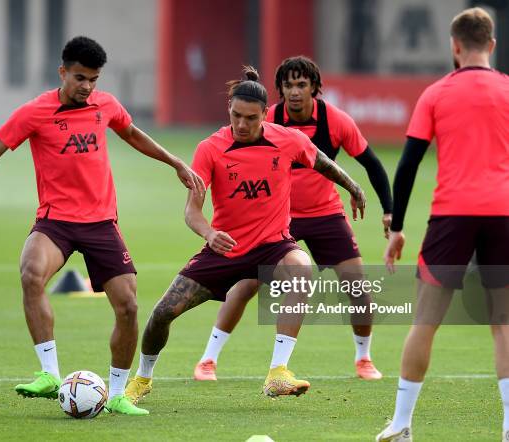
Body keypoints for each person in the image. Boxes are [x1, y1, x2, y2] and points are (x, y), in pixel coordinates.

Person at [0, 36, 204, 416]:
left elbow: (132, 134)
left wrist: (175, 161)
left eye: (93, 79)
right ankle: (49, 374)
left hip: (100, 224)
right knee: (31, 274)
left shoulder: (105, 105)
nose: (87, 87)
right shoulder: (34, 112)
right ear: (62, 72)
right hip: (55, 223)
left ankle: (115, 395)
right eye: (80, 77)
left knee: (128, 306)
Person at [124, 66, 366, 406]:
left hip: (273, 246)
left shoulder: (287, 140)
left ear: (264, 115)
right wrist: (209, 233)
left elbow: (321, 160)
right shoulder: (210, 148)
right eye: (235, 116)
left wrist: (352, 186)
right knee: (162, 313)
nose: (241, 124)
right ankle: (142, 378)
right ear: (229, 110)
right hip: (226, 249)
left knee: (301, 268)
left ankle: (278, 372)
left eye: (250, 118)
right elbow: (192, 211)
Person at [193, 56, 392, 382]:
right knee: (245, 285)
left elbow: (371, 163)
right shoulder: (263, 119)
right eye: (288, 85)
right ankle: (208, 360)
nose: (295, 92)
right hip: (276, 217)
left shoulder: (336, 121)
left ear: (315, 87)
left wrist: (388, 209)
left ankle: (363, 358)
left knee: (357, 285)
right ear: (280, 91)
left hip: (326, 213)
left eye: (302, 84)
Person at [376, 8, 509, 441]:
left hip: (452, 215)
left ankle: (401, 424)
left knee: (425, 322)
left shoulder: (435, 93)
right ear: (491, 45)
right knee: (503, 323)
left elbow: (409, 164)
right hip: (503, 213)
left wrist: (396, 227)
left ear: (454, 46)